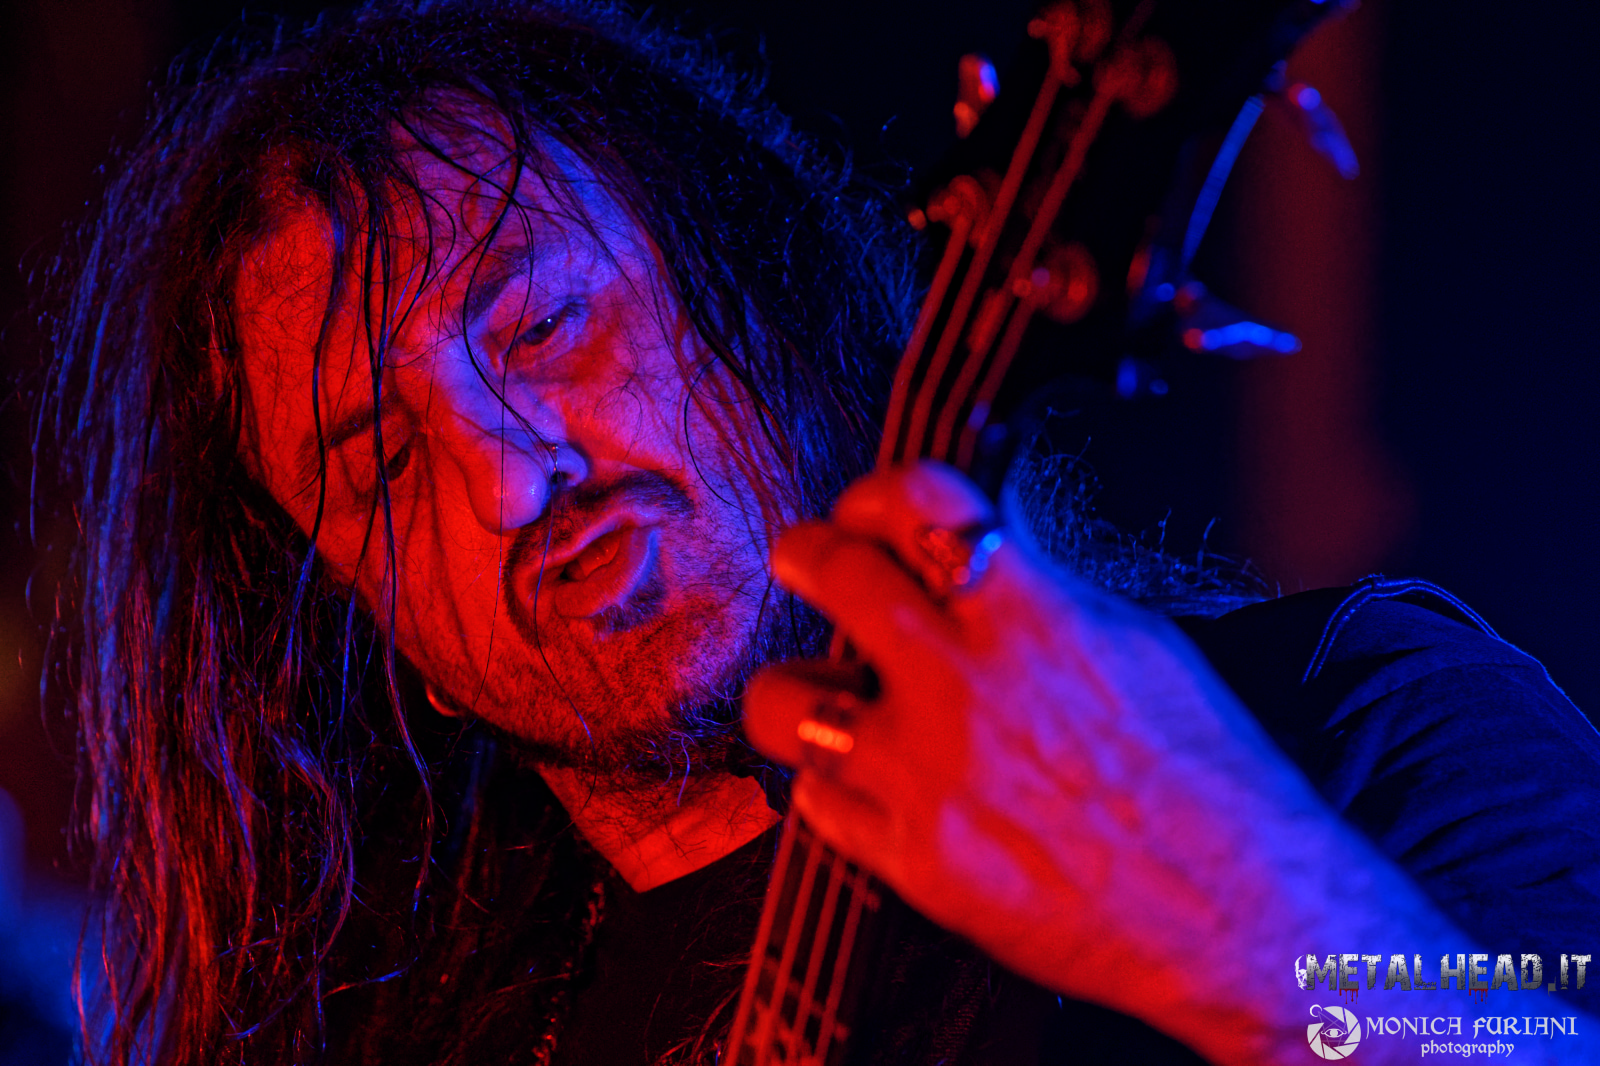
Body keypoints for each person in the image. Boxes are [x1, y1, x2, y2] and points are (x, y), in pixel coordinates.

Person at [41, 1, 1600, 1064]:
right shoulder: (425, 1028)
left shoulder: (1348, 710)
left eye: (541, 326)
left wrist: (1244, 915)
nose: (509, 480)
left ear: (749, 293)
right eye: (382, 465)